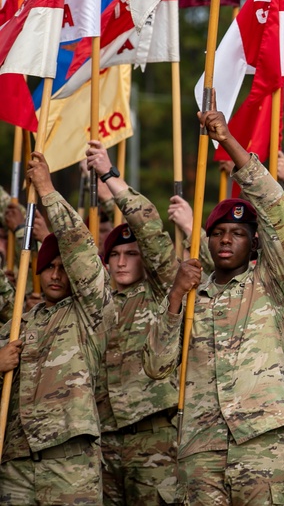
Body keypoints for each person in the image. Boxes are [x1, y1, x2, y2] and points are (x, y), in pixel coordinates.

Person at [142, 103, 284, 505]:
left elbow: (280, 213)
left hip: (261, 440)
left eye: (237, 233)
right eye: (218, 233)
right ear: (207, 241)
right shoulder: (193, 296)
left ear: (255, 242)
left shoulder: (272, 282)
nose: (226, 240)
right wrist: (176, 295)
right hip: (201, 443)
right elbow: (157, 365)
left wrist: (227, 142)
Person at [0, 151, 115, 504]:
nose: (56, 274)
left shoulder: (90, 312)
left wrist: (47, 190)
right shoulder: (18, 322)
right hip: (16, 463)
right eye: (49, 266)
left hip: (68, 462)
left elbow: (80, 248)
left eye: (65, 268)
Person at [85, 140, 181, 504]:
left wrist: (111, 178)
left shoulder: (160, 290)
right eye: (115, 255)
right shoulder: (96, 303)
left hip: (152, 437)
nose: (122, 262)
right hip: (102, 437)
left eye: (131, 254)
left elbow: (152, 233)